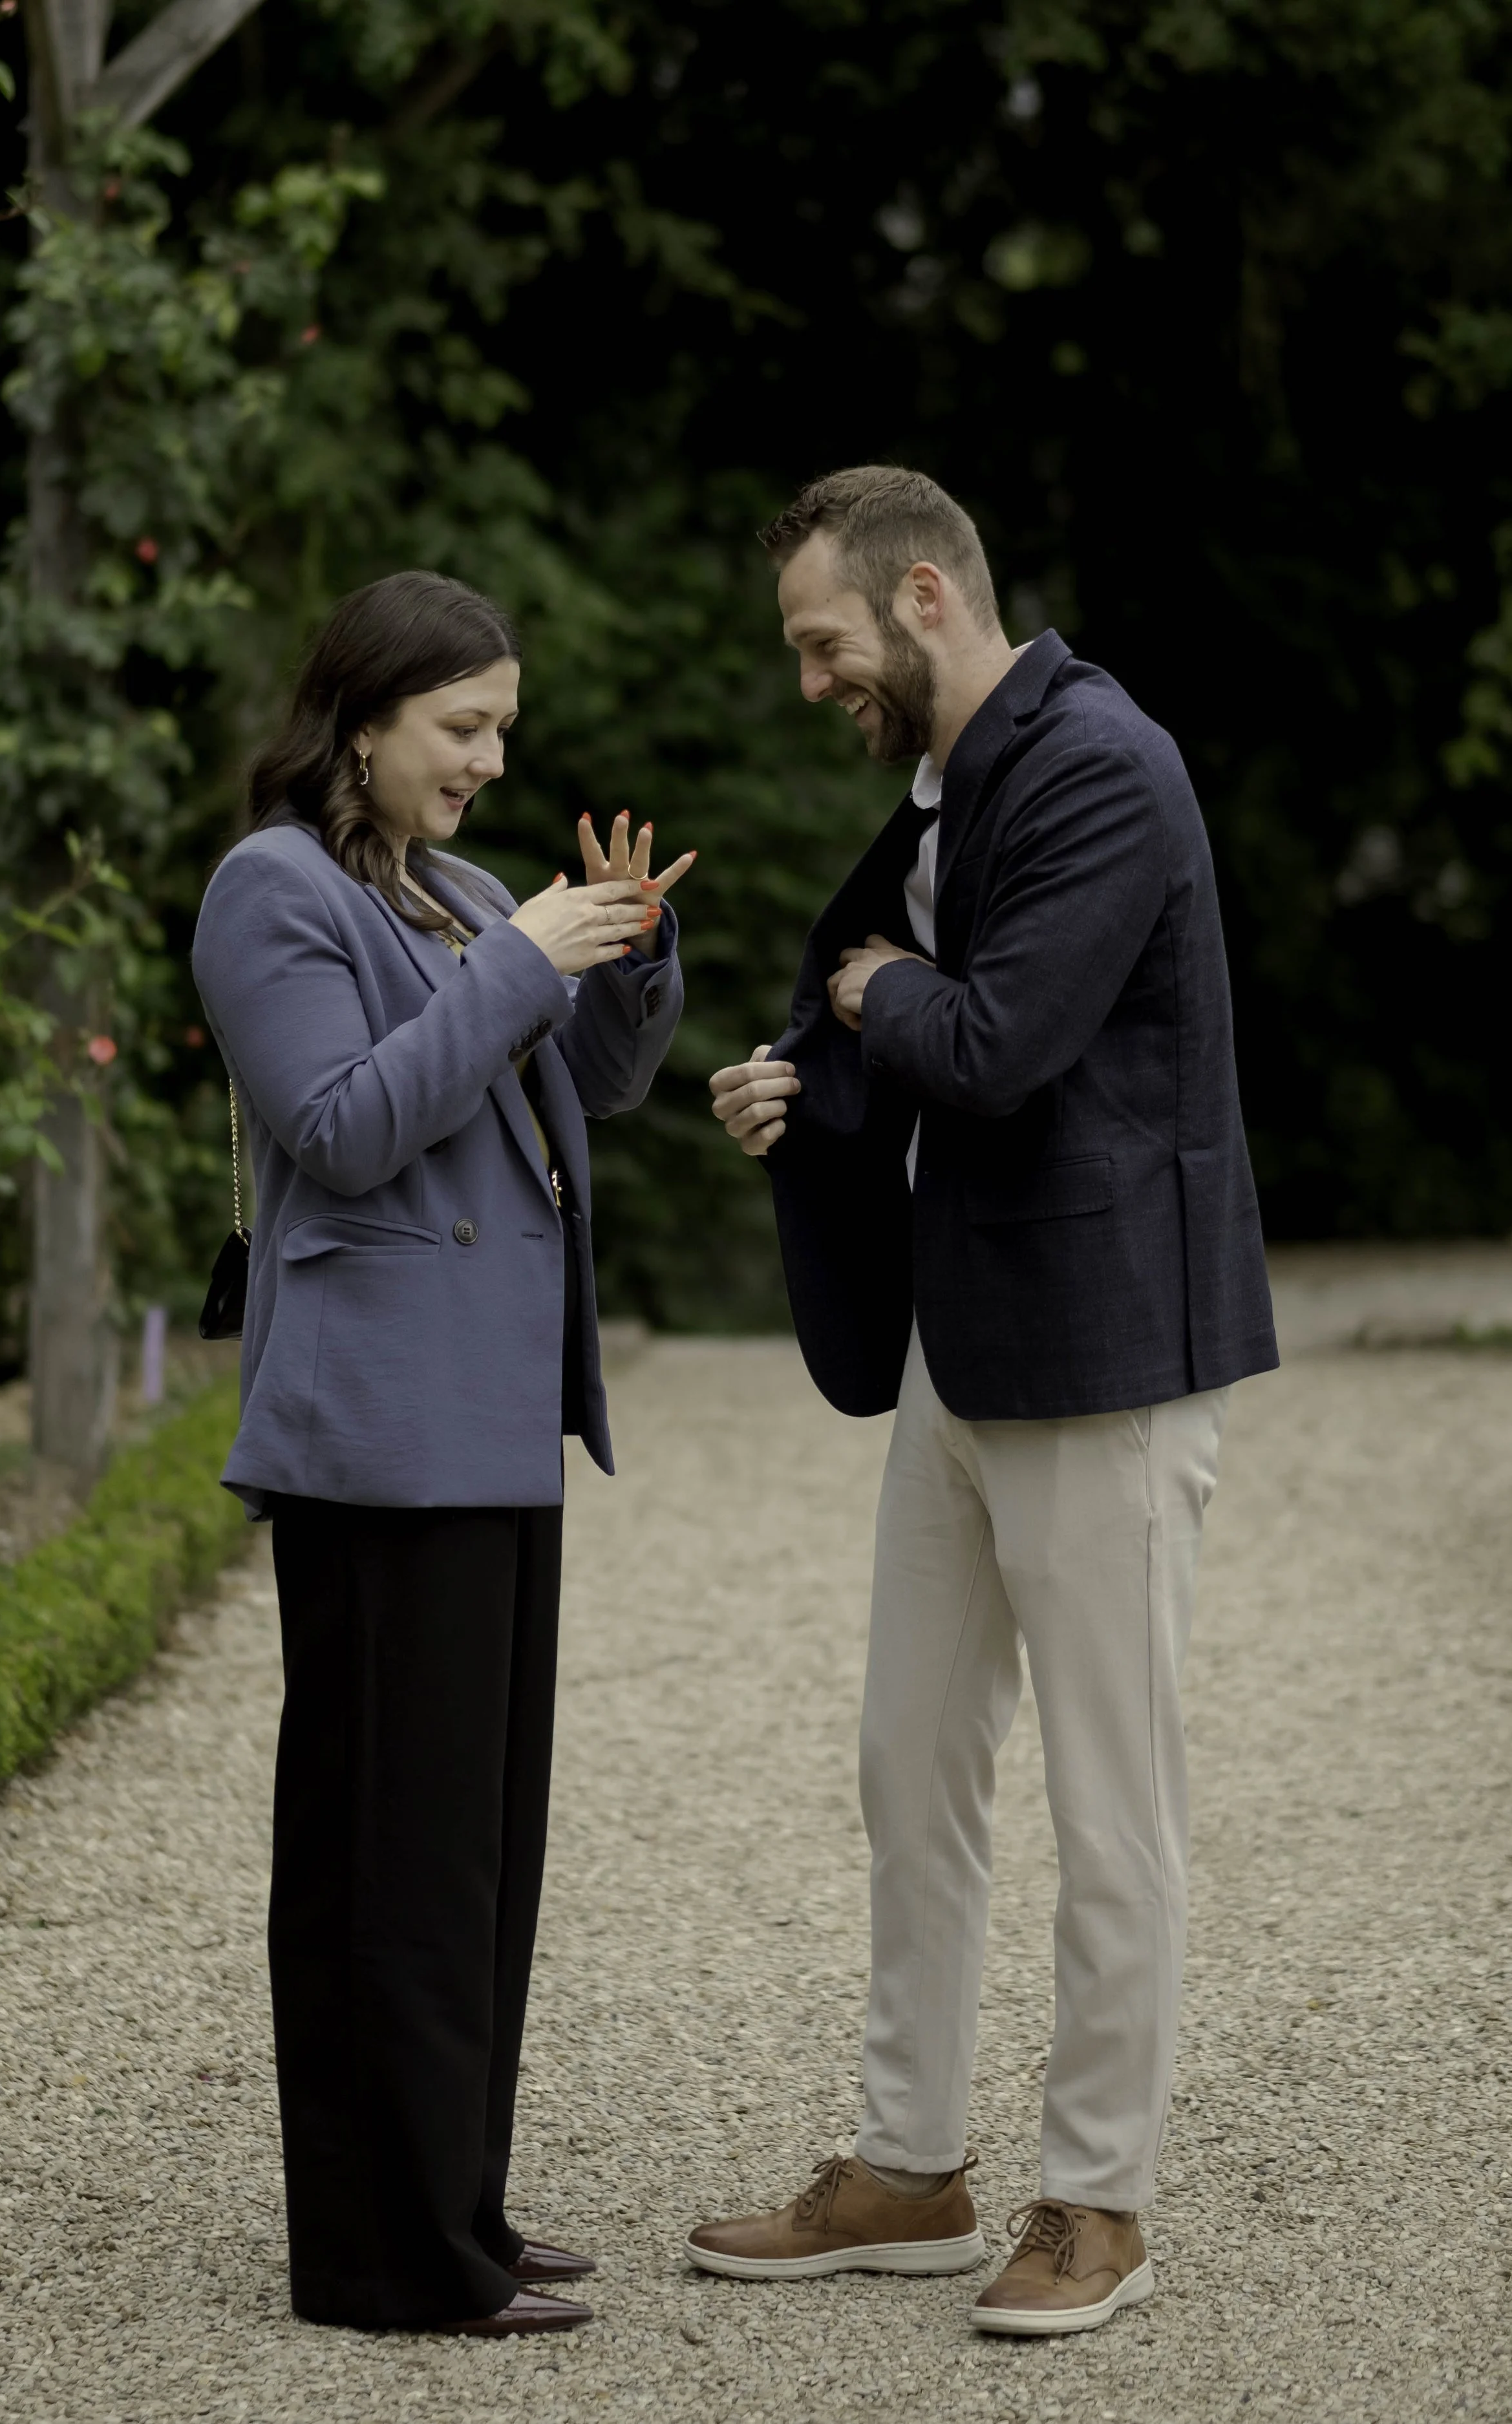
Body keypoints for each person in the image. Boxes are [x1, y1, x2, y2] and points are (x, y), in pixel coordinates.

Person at [696, 467, 1277, 2335]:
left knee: (1113, 1804)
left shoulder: (1105, 764)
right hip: (962, 1343)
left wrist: (867, 992)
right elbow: (916, 1030)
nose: (810, 683)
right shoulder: (953, 782)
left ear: (925, 593)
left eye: (822, 643)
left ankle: (1096, 2197)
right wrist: (810, 1076)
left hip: (1105, 1354)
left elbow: (1004, 1041)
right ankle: (906, 2158)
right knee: (906, 1756)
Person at [191, 569, 692, 2338]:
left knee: (470, 1859)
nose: (490, 759)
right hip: (377, 1438)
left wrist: (621, 945)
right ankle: (388, 2255)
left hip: (490, 1430)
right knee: (382, 1861)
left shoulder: (462, 891)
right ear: (365, 718)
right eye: (461, 727)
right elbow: (338, 1131)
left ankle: (450, 2203)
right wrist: (517, 969)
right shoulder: (275, 889)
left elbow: (601, 1087)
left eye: (502, 727)